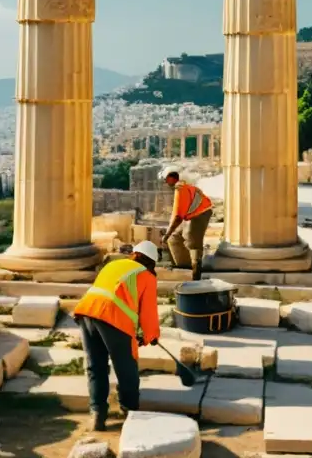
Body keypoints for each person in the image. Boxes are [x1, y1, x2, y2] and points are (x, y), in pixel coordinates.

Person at [72, 241, 161, 431]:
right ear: (152, 262)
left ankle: (97, 413)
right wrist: (150, 336)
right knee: (126, 366)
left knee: (95, 366)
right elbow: (148, 313)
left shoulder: (113, 265)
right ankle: (130, 409)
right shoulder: (147, 276)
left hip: (87, 312)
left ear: (134, 254)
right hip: (113, 318)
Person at [159, 166, 213, 281]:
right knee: (174, 237)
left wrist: (166, 235)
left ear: (170, 178)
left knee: (192, 239)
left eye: (165, 180)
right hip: (194, 213)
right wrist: (169, 235)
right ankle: (183, 266)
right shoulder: (181, 187)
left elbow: (178, 217)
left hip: (201, 213)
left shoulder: (180, 189)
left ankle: (195, 272)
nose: (165, 183)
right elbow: (177, 214)